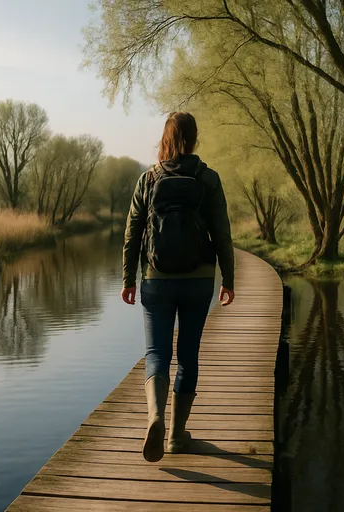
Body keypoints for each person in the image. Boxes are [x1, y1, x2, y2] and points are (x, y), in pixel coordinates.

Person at [121, 112, 235, 463]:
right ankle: (175, 435)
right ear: (195, 138)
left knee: (156, 353)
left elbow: (133, 234)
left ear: (165, 139)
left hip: (156, 280)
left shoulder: (148, 179)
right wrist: (228, 279)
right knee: (188, 356)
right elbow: (222, 233)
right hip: (199, 279)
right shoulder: (209, 179)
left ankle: (154, 416)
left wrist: (127, 279)